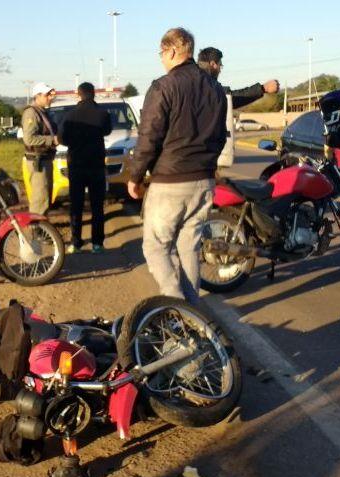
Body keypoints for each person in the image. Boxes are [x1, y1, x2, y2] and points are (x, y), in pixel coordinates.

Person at [128, 27, 227, 304]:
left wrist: (135, 176)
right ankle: (195, 314)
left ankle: (178, 310)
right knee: (188, 248)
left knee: (156, 247)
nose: (161, 59)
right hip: (204, 181)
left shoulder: (164, 86)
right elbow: (220, 135)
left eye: (161, 53)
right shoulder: (215, 89)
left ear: (172, 51)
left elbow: (149, 135)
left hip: (170, 181)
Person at [58, 82, 112, 253]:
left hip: (76, 166)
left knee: (76, 205)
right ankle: (97, 243)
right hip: (96, 165)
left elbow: (62, 139)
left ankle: (76, 243)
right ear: (93, 94)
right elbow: (107, 131)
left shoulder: (69, 115)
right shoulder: (102, 114)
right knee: (97, 206)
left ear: (78, 94)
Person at [197, 46, 279, 109]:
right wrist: (263, 88)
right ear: (213, 64)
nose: (220, 70)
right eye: (220, 65)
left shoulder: (191, 80)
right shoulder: (205, 86)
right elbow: (230, 98)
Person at [22, 82, 58, 215]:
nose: (50, 97)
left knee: (45, 198)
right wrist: (52, 140)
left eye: (50, 94)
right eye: (47, 95)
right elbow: (29, 139)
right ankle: (36, 231)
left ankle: (43, 230)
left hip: (45, 160)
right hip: (38, 162)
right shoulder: (31, 113)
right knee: (40, 200)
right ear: (37, 96)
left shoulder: (42, 112)